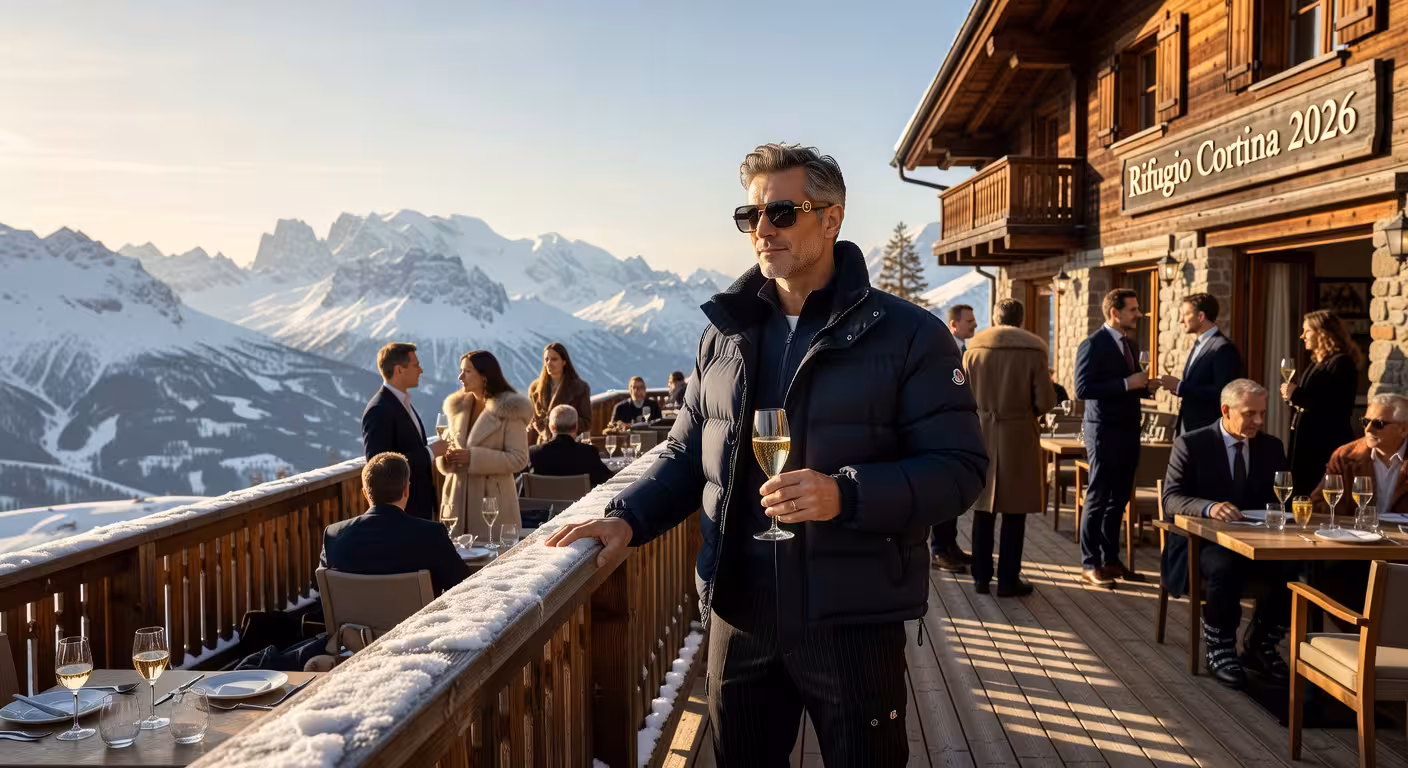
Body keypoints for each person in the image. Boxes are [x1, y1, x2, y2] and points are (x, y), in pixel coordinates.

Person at [547, 143, 987, 766]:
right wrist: (627, 517)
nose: (762, 230)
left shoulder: (909, 334)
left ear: (831, 219)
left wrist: (846, 493)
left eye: (782, 212)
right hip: (741, 612)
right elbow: (685, 453)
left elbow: (960, 469)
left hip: (852, 618)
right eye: (749, 216)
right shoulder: (724, 334)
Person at [1160, 380, 1293, 689]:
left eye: (1262, 413)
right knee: (1225, 566)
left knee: (1297, 568)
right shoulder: (1191, 444)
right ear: (1225, 410)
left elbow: (1284, 497)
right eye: (1250, 414)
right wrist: (1208, 507)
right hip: (1203, 542)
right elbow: (1170, 500)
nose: (1259, 422)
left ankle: (1261, 643)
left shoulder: (1272, 447)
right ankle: (1220, 646)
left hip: (1260, 542)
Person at [962, 299, 1056, 597]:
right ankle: (1007, 580)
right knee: (1015, 512)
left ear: (994, 317)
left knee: (982, 508)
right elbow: (1045, 402)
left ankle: (980, 577)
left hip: (980, 434)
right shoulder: (1033, 350)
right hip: (1018, 436)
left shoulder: (973, 350)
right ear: (1022, 319)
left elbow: (960, 396)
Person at [1074, 288, 1160, 588]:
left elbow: (1132, 384)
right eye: (1133, 309)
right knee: (1097, 497)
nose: (1138, 314)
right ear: (1115, 312)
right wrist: (1127, 383)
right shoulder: (1092, 345)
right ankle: (1090, 563)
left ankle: (1111, 560)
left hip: (1129, 430)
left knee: (1120, 499)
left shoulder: (1132, 345)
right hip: (1103, 431)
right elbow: (1082, 389)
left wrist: (1145, 387)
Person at [1306, 393, 1408, 615]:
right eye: (1366, 421)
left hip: (1403, 551)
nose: (1369, 429)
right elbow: (1318, 506)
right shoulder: (1346, 456)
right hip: (1357, 551)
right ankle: (1361, 640)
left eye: (1379, 424)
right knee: (1329, 580)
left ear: (1404, 429)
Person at [320, 452, 469, 595]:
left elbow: (324, 591)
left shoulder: (333, 536)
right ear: (406, 490)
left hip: (352, 622)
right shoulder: (431, 534)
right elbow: (462, 587)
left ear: (365, 493)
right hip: (417, 621)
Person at [436, 350, 532, 542]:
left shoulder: (510, 410)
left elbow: (519, 458)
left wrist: (473, 458)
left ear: (484, 375)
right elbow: (449, 448)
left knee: (493, 562)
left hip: (492, 505)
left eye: (467, 371)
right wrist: (446, 460)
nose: (460, 377)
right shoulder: (458, 409)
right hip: (456, 502)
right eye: (461, 371)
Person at [363, 342, 453, 520]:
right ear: (399, 370)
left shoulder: (403, 403)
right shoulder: (379, 409)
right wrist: (430, 452)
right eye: (415, 365)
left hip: (419, 509)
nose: (420, 370)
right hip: (402, 514)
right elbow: (380, 466)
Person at [1281, 310, 1362, 495]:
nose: (1302, 336)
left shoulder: (1341, 364)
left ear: (1323, 332)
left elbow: (1335, 406)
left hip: (1323, 443)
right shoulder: (1317, 363)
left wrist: (1297, 395)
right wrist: (1293, 397)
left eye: (1307, 331)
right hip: (1307, 442)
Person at [930, 302, 980, 572]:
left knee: (954, 490)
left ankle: (950, 546)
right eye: (969, 321)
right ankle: (939, 551)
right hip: (942, 431)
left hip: (958, 430)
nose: (974, 325)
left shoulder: (963, 349)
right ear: (954, 325)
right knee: (943, 491)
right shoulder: (945, 351)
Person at [1158, 293, 1241, 436]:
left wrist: (1180, 386)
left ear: (1201, 316)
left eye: (1184, 315)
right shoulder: (1199, 344)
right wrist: (1178, 388)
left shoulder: (1222, 348)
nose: (1180, 320)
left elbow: (1223, 394)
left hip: (1207, 432)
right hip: (1188, 428)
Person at [528, 404, 613, 488]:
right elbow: (607, 481)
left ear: (551, 427)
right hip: (580, 502)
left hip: (541, 502)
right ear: (576, 427)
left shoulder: (533, 453)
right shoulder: (588, 452)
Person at [527, 342, 592, 445]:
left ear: (564, 362)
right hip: (543, 445)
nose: (549, 363)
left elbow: (586, 423)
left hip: (570, 445)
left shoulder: (580, 388)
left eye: (554, 359)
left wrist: (562, 420)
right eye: (546, 359)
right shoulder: (535, 389)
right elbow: (534, 419)